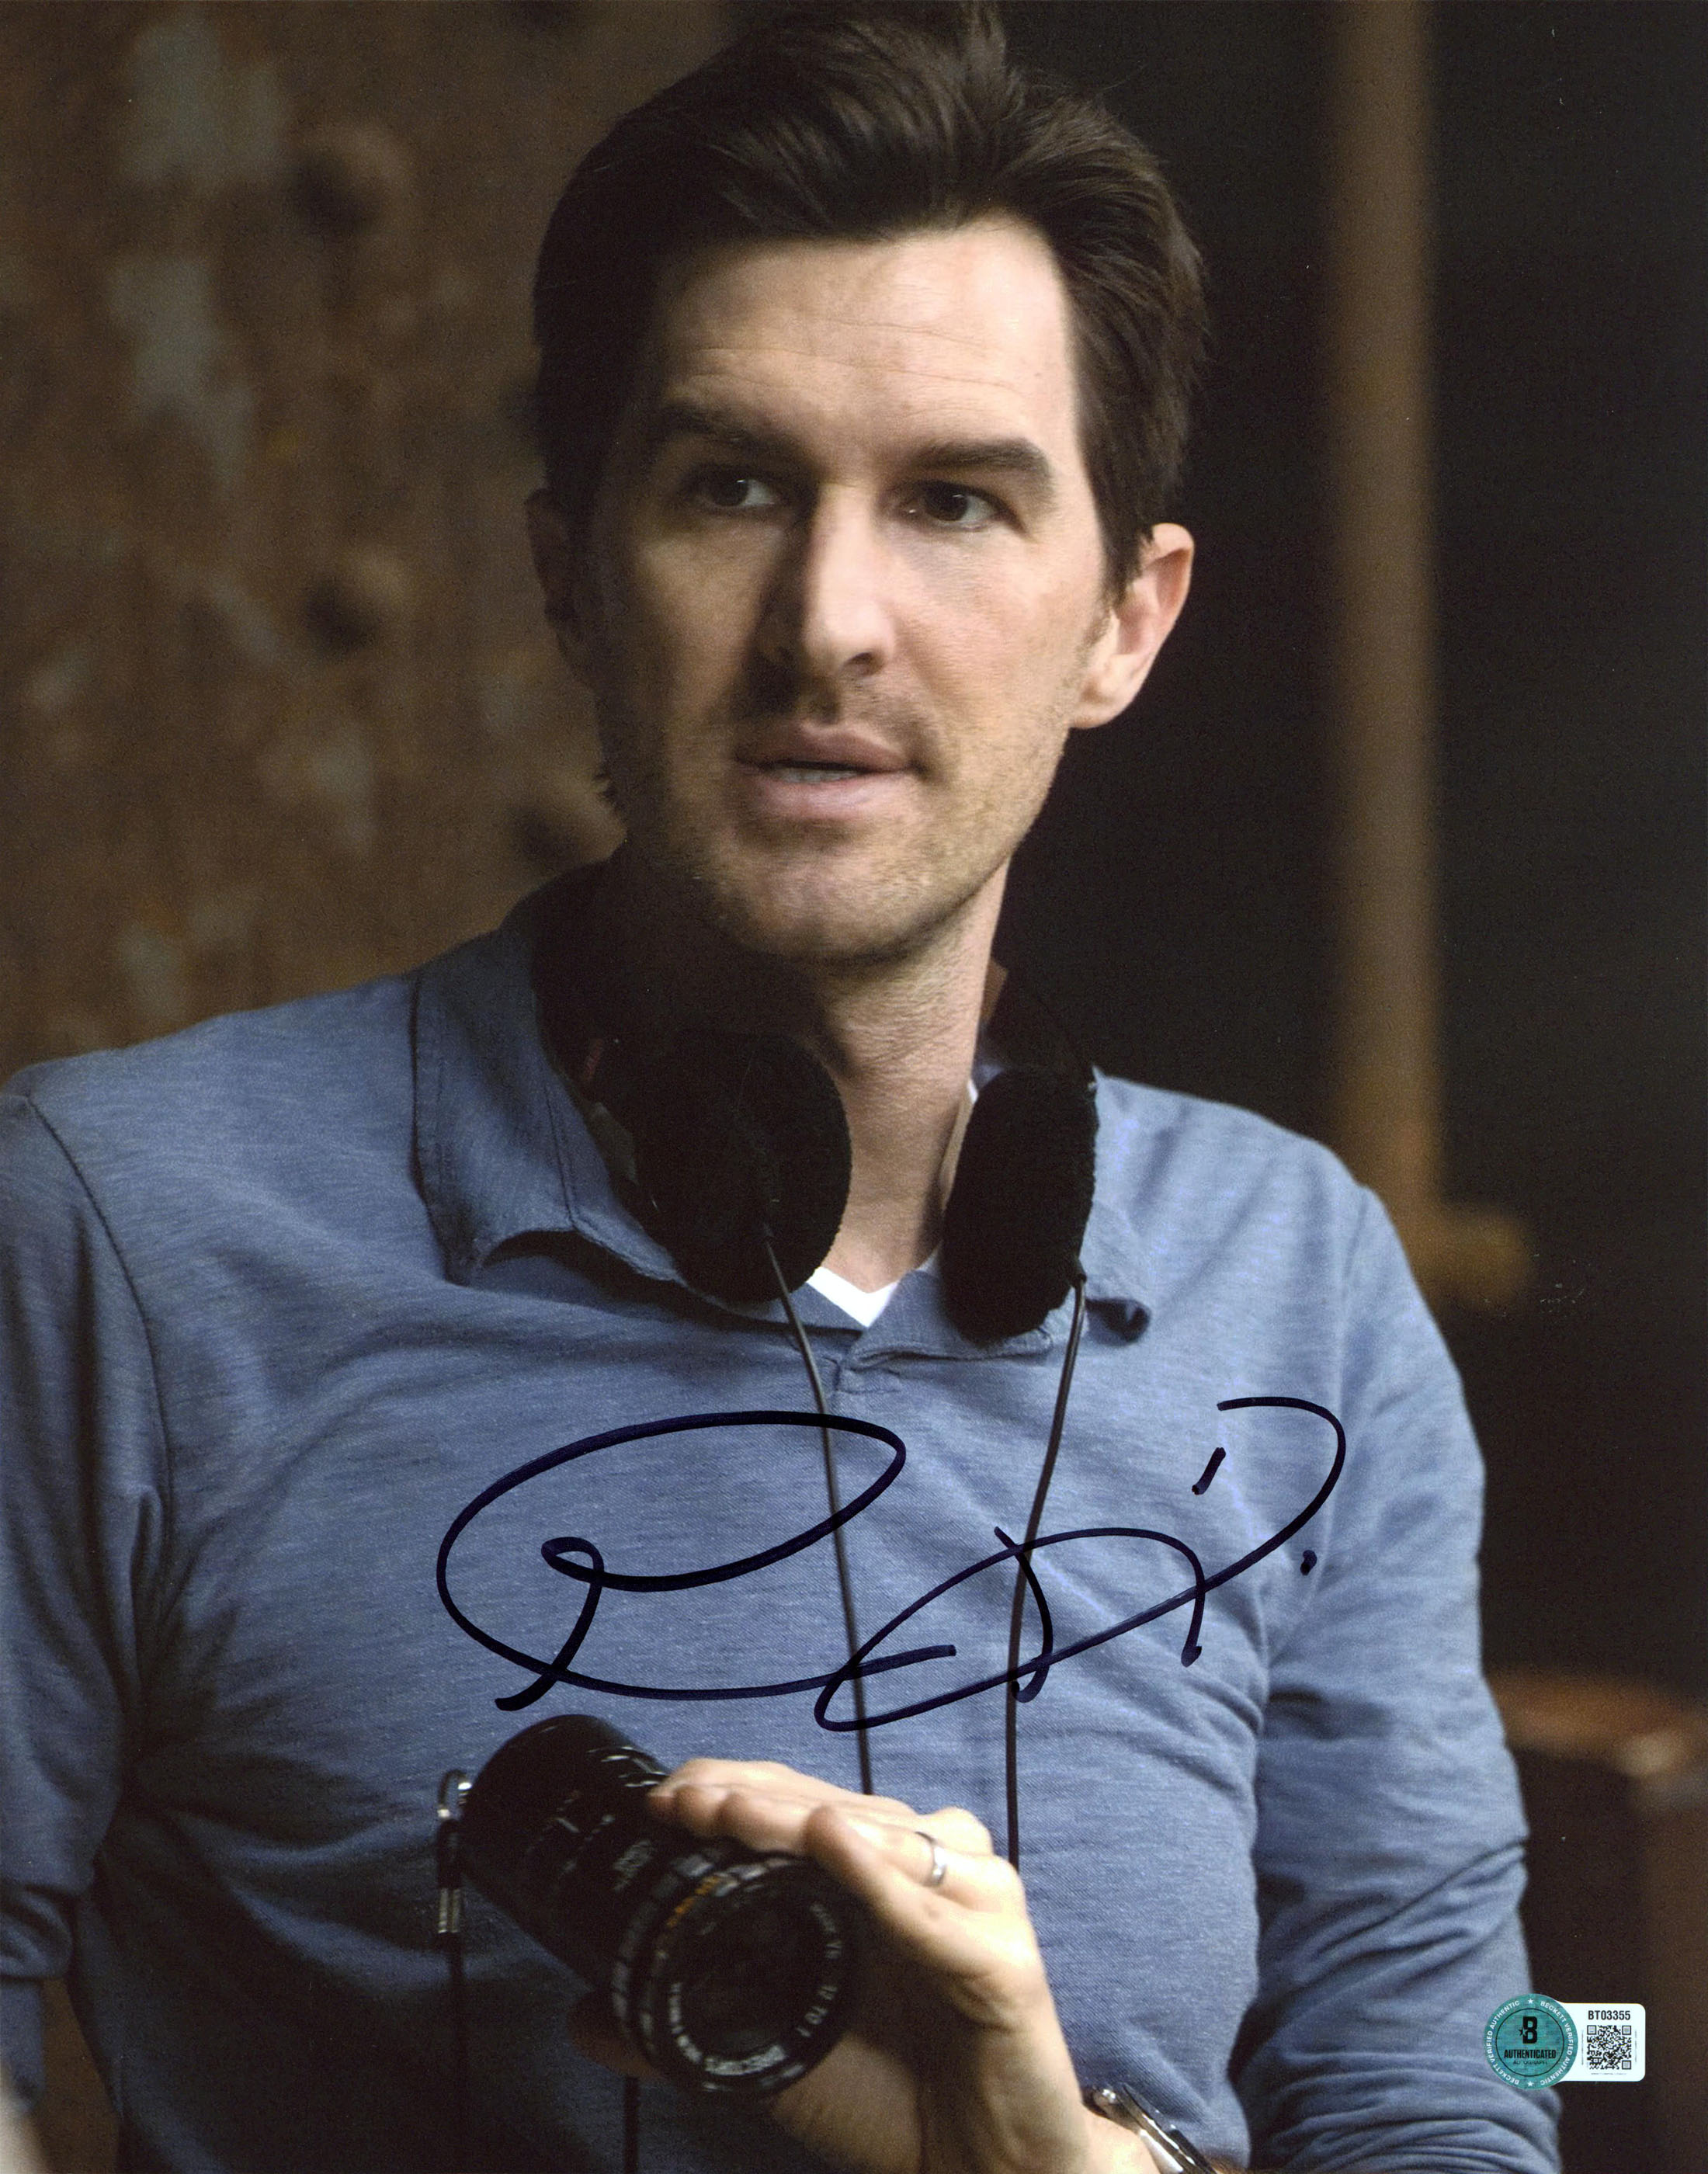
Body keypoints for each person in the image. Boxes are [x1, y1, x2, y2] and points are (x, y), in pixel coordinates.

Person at [0, 7, 1558, 2172]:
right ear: (569, 570)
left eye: (955, 501)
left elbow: (1493, 2067)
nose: (829, 622)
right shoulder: (115, 1226)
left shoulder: (1307, 1275)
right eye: (732, 485)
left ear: (1127, 620)